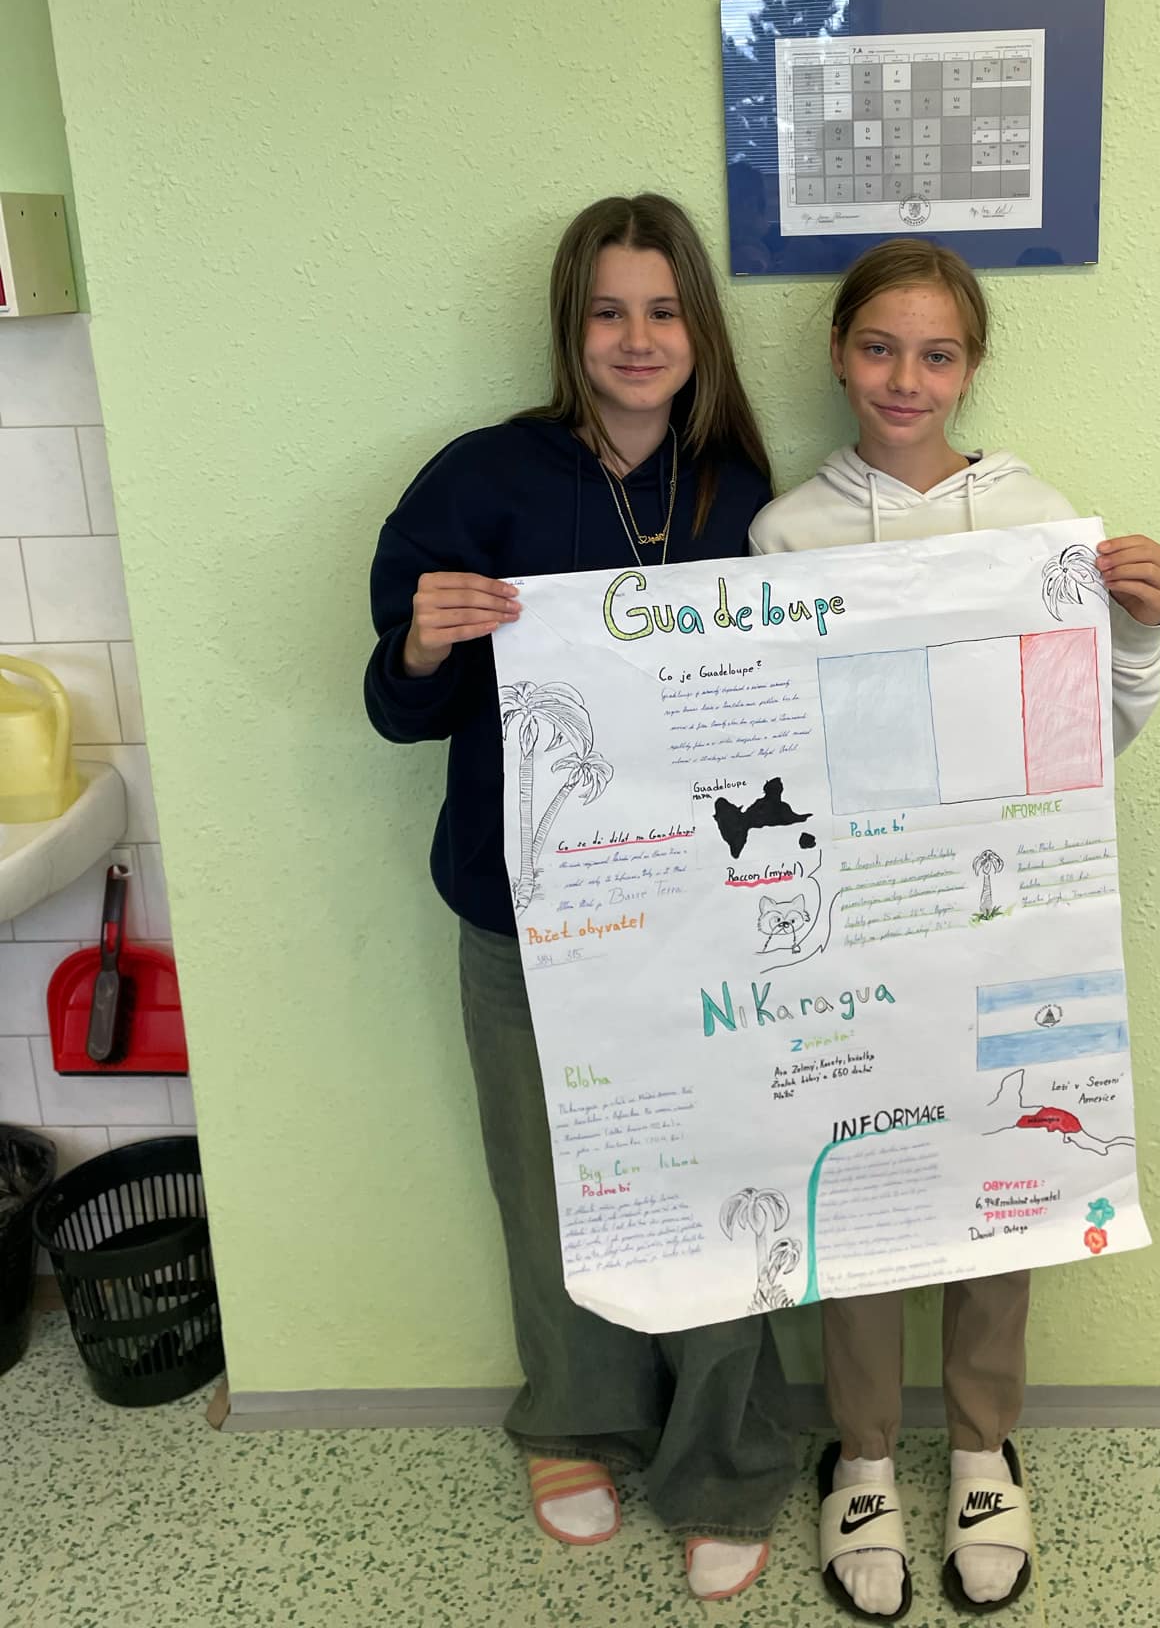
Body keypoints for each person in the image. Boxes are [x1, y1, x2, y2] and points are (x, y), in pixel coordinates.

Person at [364, 195, 795, 1603]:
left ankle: (726, 1457)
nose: (636, 338)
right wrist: (423, 645)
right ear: (572, 325)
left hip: (698, 910)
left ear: (699, 328)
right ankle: (574, 1422)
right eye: (609, 311)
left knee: (716, 1169)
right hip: (521, 906)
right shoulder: (481, 478)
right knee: (549, 1174)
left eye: (663, 310)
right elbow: (396, 709)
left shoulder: (736, 488)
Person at [748, 238, 1160, 1620]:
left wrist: (1141, 627)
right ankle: (865, 1453)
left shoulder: (1043, 519)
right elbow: (762, 743)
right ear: (838, 356)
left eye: (937, 354)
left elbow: (1099, 733)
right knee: (862, 1178)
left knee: (1007, 1165)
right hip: (861, 931)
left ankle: (985, 1445)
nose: (906, 378)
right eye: (880, 348)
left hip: (1011, 928)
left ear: (971, 368)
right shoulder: (784, 536)